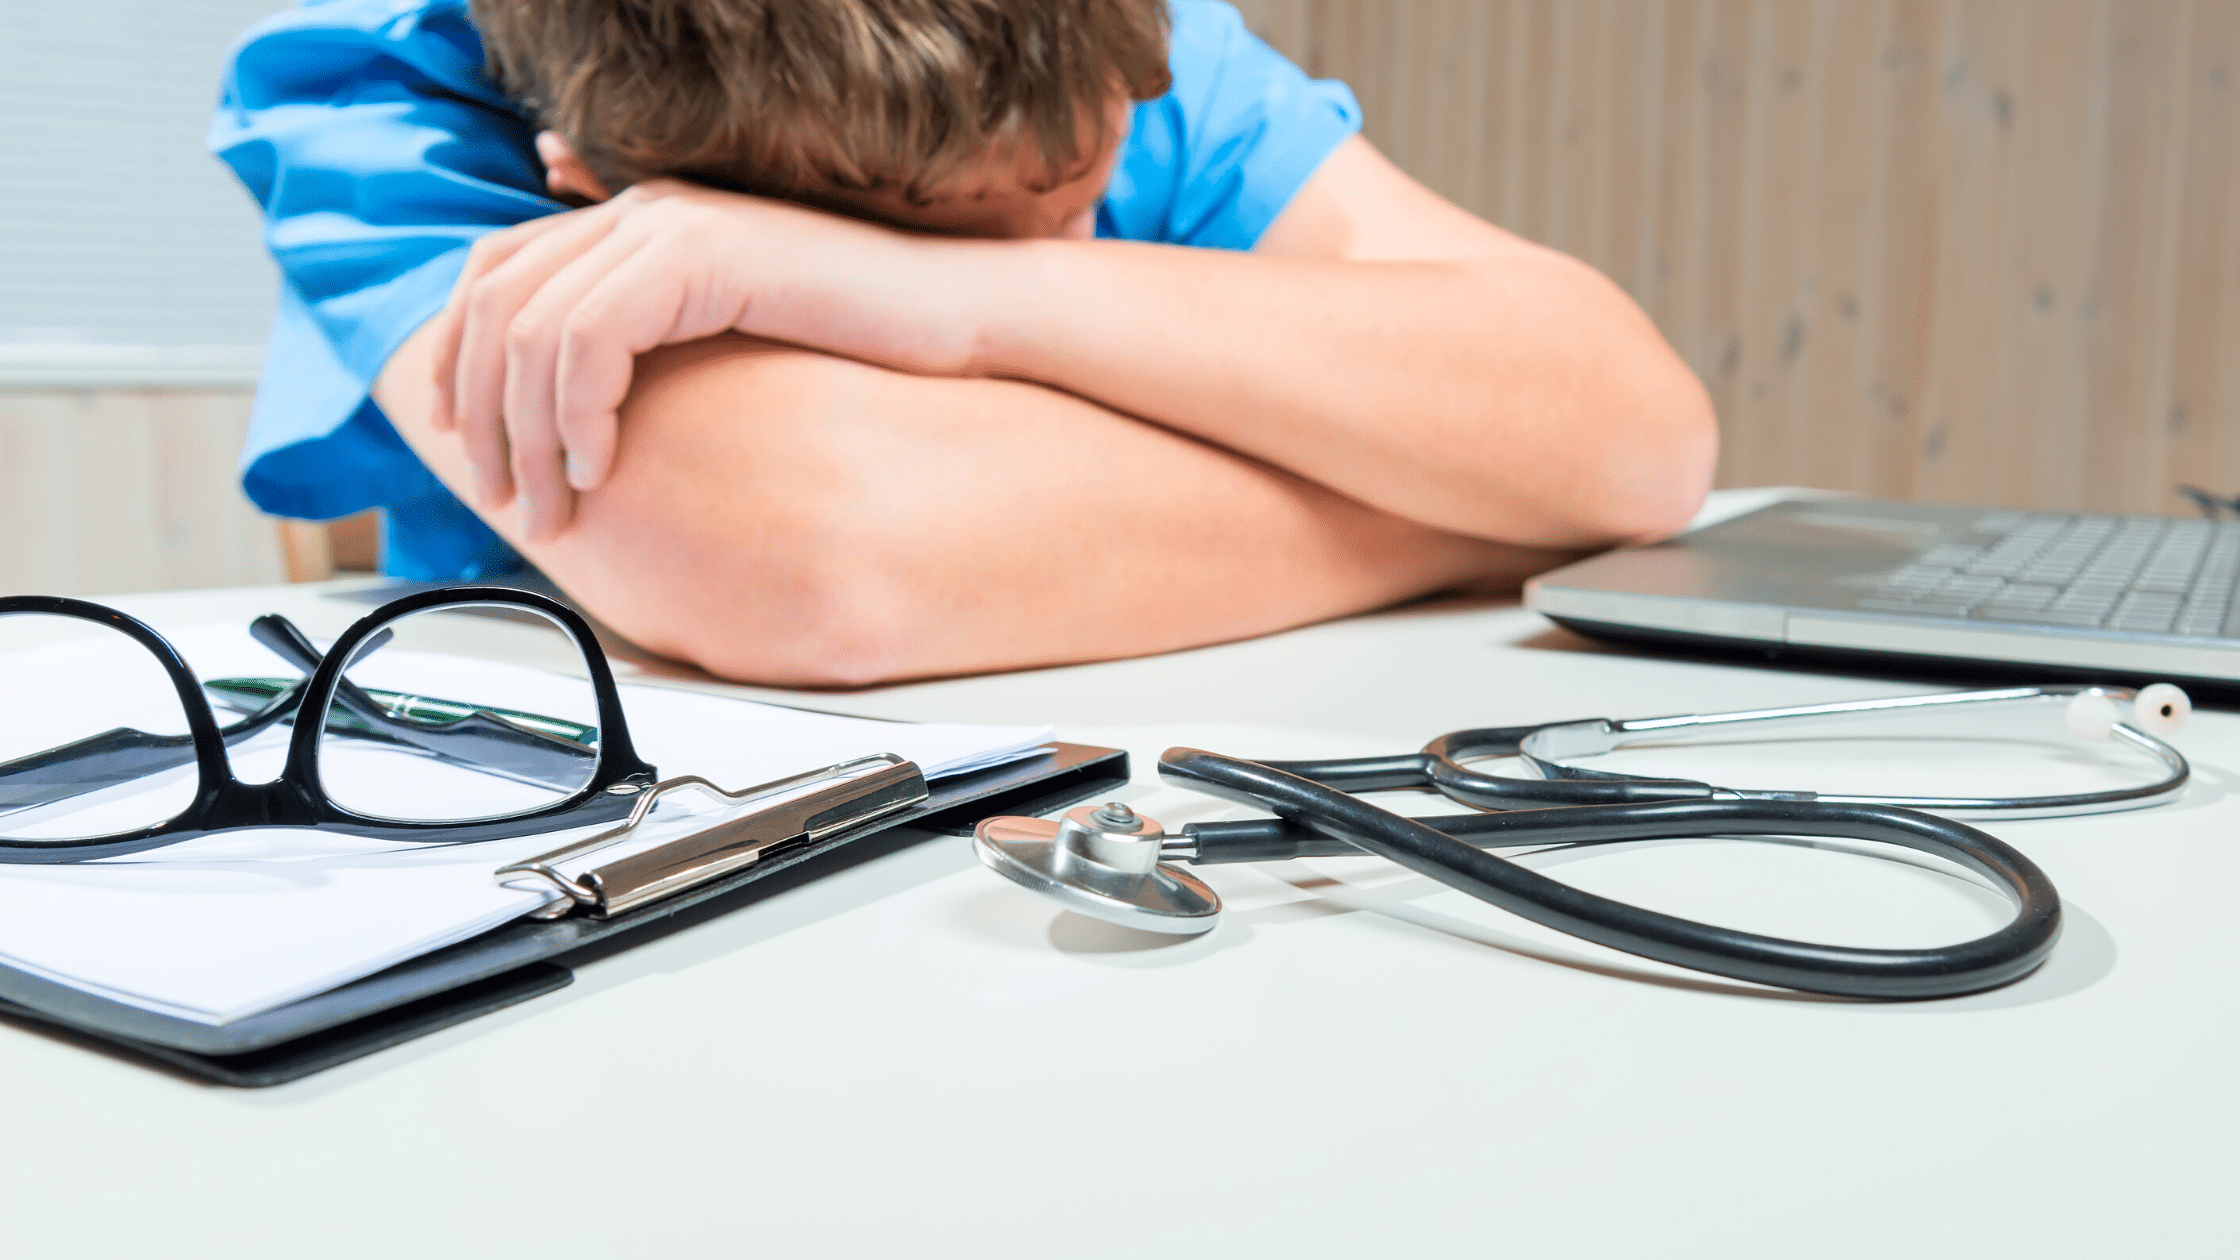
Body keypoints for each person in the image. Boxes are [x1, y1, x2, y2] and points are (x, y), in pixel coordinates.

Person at [213, 0, 1715, 685]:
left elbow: (1640, 439)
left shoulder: (1106, 47)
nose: (1078, 242)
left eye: (1089, 198)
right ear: (603, 184)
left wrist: (936, 298)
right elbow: (840, 567)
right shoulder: (399, 102)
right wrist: (1479, 512)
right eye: (961, 236)